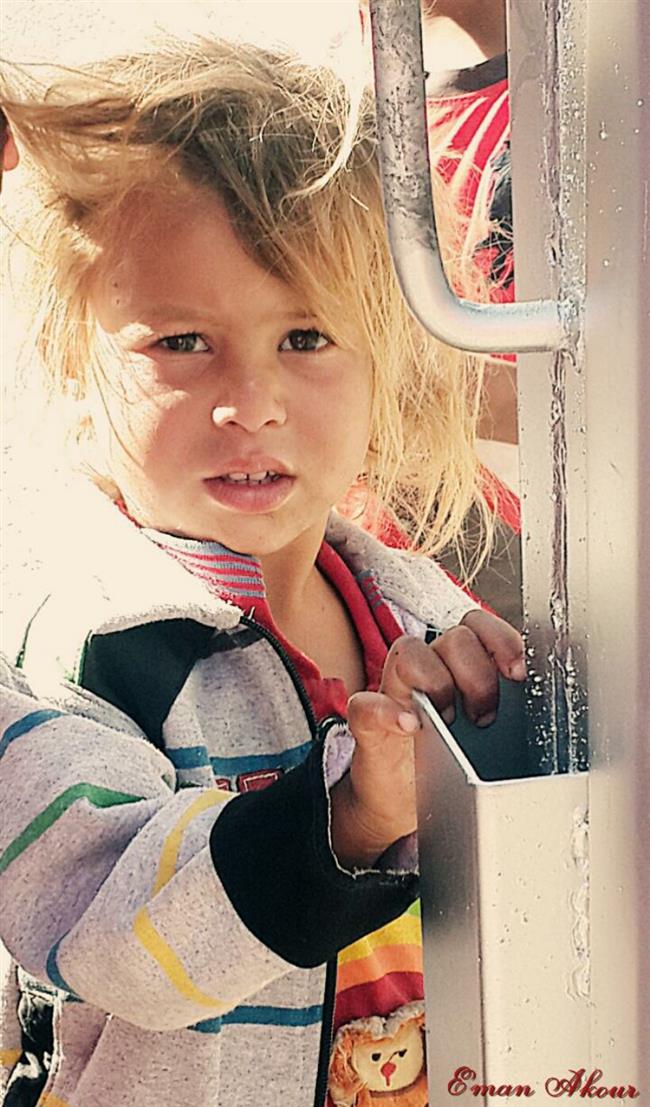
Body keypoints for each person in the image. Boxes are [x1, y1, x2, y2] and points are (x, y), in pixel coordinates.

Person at [0, 38, 525, 1107]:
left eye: (306, 336)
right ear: (70, 360)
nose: (251, 403)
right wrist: (348, 816)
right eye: (182, 342)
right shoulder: (81, 651)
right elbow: (115, 943)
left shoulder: (419, 609)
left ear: (387, 358)